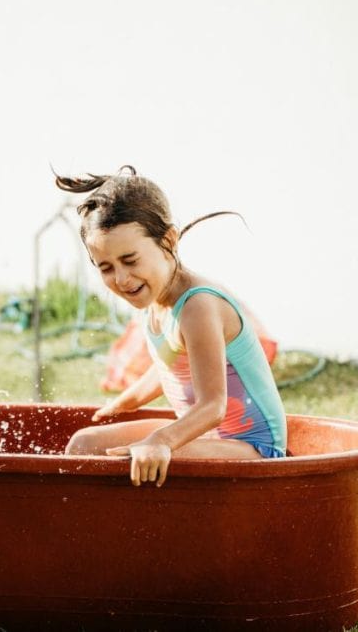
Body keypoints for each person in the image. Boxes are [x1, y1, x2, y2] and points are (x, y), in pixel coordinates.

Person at [56, 166, 286, 487]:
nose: (122, 279)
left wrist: (161, 440)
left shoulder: (198, 307)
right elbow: (171, 364)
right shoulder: (156, 299)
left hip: (254, 449)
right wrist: (126, 402)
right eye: (106, 268)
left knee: (129, 459)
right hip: (211, 438)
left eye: (130, 260)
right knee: (84, 445)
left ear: (169, 240)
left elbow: (212, 406)